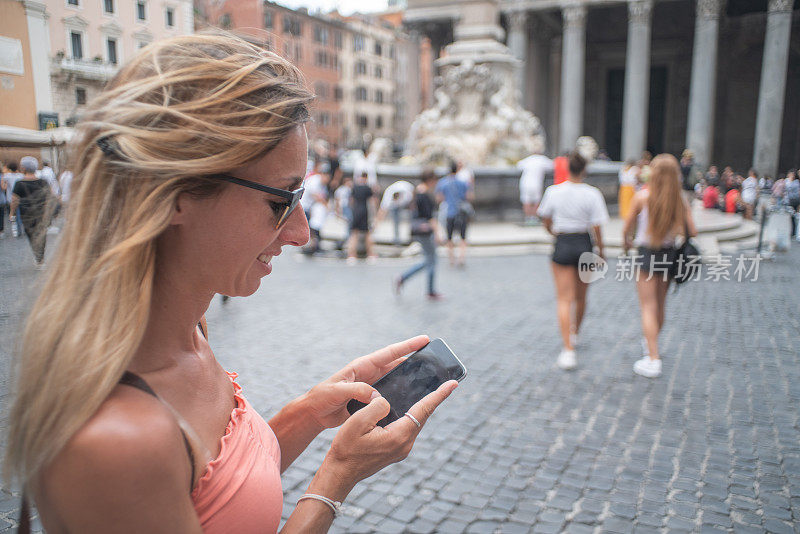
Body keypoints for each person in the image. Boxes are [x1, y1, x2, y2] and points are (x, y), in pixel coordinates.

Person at [4, 34, 458, 533]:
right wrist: (336, 477)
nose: (303, 232)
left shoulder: (188, 327)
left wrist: (310, 410)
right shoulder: (118, 442)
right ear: (172, 194)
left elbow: (220, 492)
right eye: (280, 201)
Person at [622, 154, 697, 378]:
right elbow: (692, 231)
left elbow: (627, 228)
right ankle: (651, 345)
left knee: (647, 306)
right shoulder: (679, 199)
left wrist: (627, 242)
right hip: (668, 255)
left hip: (647, 254)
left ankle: (652, 358)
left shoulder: (642, 197)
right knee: (660, 306)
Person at [538, 152, 609, 370]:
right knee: (581, 296)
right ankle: (575, 332)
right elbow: (597, 226)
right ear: (584, 170)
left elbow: (546, 218)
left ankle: (568, 350)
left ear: (567, 168)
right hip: (584, 243)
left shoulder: (554, 191)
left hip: (563, 241)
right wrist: (601, 250)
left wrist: (553, 232)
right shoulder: (592, 194)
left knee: (563, 299)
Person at [394, 169, 442, 300]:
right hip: (425, 231)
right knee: (431, 260)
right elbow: (429, 217)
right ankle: (429, 290)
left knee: (429, 259)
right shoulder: (424, 194)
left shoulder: (417, 192)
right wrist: (438, 233)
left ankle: (404, 278)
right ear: (430, 180)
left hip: (418, 230)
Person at [10, 156, 54, 266]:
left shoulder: (19, 183)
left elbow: (14, 200)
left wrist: (12, 213)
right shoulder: (43, 182)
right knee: (42, 234)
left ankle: (38, 256)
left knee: (31, 235)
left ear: (24, 168)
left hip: (26, 215)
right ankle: (41, 257)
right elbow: (50, 197)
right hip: (42, 213)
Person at [435, 161, 473, 267]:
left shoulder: (442, 182)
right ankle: (461, 258)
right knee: (463, 236)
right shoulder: (463, 182)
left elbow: (439, 198)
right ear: (457, 170)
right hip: (461, 212)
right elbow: (469, 197)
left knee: (449, 237)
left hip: (449, 213)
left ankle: (451, 259)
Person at [346, 171, 378, 263]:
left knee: (354, 233)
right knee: (367, 234)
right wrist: (374, 214)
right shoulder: (368, 188)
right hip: (364, 211)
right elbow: (372, 201)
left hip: (356, 210)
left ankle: (351, 255)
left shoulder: (354, 187)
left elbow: (351, 201)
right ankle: (370, 254)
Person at [517, 152, 553, 225]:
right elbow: (552, 166)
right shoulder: (542, 159)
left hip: (525, 183)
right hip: (536, 183)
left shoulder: (528, 159)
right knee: (536, 201)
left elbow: (518, 165)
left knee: (526, 201)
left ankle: (528, 218)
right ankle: (534, 218)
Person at [376, 179, 414, 246]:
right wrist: (377, 223)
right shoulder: (388, 194)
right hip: (395, 207)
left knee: (413, 219)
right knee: (396, 220)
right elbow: (383, 210)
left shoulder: (407, 190)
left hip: (408, 203)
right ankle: (397, 240)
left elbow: (414, 197)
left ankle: (412, 239)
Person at [2, 162, 24, 237]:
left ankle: (16, 228)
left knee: (12, 213)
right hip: (20, 197)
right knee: (19, 213)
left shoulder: (7, 176)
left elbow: (4, 187)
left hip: (10, 197)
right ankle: (20, 227)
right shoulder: (20, 176)